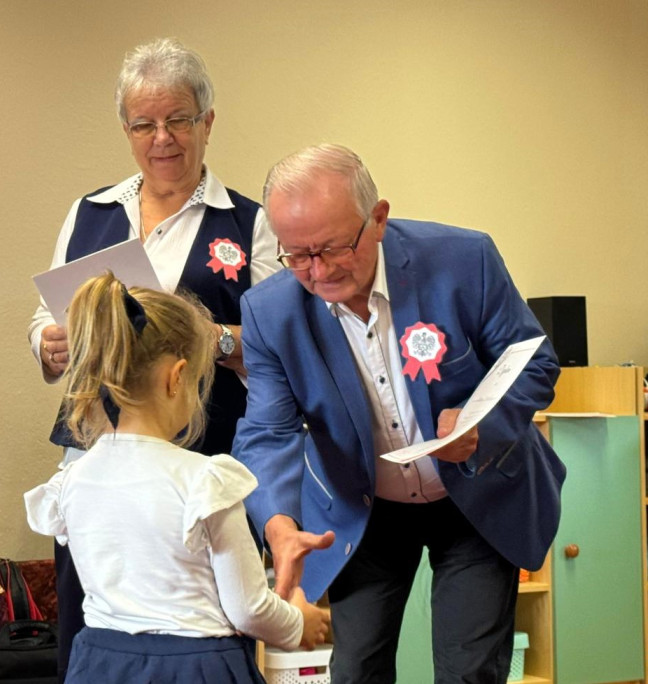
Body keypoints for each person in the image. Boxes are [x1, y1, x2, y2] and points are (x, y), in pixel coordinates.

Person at [232, 144, 566, 684]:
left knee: (469, 671)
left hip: (475, 496)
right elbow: (265, 433)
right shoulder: (270, 311)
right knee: (357, 670)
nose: (318, 271)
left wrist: (481, 428)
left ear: (378, 219)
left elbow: (534, 362)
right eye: (297, 255)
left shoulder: (463, 260)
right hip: (364, 508)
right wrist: (277, 524)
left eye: (334, 248)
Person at [27, 37, 281, 678]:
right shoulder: (91, 211)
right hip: (97, 453)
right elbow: (46, 316)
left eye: (178, 120)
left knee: (204, 613)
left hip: (203, 442)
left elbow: (278, 343)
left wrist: (207, 339)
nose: (162, 138)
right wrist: (48, 342)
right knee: (90, 613)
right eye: (144, 124)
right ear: (126, 128)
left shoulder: (250, 223)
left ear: (208, 121)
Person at [25, 273, 331, 683]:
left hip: (100, 663)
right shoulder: (204, 481)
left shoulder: (72, 481)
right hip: (194, 666)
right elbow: (248, 608)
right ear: (177, 377)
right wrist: (299, 623)